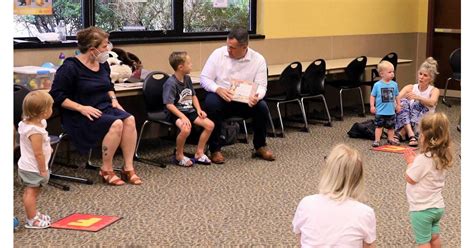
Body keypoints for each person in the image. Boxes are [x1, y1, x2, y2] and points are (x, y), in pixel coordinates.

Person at [49, 26, 142, 186]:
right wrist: (81, 108)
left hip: (103, 107)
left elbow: (108, 86)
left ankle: (128, 168)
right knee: (117, 123)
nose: (108, 49)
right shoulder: (70, 67)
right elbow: (56, 95)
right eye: (105, 46)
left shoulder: (103, 65)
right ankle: (106, 169)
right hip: (79, 114)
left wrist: (114, 99)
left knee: (130, 119)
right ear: (92, 50)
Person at [200, 27, 275, 164]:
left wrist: (256, 96)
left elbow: (262, 86)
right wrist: (217, 89)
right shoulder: (218, 54)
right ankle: (215, 149)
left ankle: (260, 146)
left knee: (262, 107)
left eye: (233, 48)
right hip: (222, 97)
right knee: (211, 103)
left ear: (244, 47)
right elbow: (204, 79)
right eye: (228, 46)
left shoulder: (258, 60)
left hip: (244, 100)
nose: (229, 50)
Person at [292, 144, 376, 247]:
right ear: (358, 177)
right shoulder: (365, 213)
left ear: (328, 171)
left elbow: (302, 241)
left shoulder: (306, 203)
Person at [403, 112, 453, 247]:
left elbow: (410, 178)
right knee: (434, 238)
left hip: (422, 209)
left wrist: (410, 162)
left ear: (424, 137)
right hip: (437, 207)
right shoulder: (441, 155)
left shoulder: (423, 159)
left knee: (423, 241)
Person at [163, 51, 215, 167]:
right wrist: (182, 117)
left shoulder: (187, 79)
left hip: (188, 111)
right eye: (189, 63)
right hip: (175, 113)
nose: (191, 65)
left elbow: (193, 95)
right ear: (181, 67)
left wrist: (198, 110)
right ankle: (179, 155)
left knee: (209, 125)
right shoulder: (170, 83)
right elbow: (169, 105)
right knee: (186, 129)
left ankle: (199, 152)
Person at [17, 91, 54, 229]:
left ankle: (33, 213)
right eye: (50, 107)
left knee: (34, 191)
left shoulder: (30, 122)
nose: (52, 110)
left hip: (30, 166)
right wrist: (43, 170)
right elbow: (38, 153)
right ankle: (31, 219)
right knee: (31, 192)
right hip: (33, 167)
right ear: (44, 112)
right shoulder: (35, 131)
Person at [395, 57, 440, 147]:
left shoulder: (434, 90)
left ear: (430, 78)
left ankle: (404, 132)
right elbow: (397, 99)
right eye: (420, 74)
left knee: (416, 104)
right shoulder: (410, 87)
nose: (421, 77)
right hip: (406, 121)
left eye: (425, 75)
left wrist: (418, 97)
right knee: (403, 102)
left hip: (423, 124)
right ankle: (410, 134)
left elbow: (432, 102)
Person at [370, 60, 401, 147]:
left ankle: (390, 139)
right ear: (382, 74)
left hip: (391, 111)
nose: (392, 74)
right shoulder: (377, 85)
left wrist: (398, 105)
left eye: (393, 72)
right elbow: (372, 96)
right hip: (380, 111)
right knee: (379, 127)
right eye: (390, 72)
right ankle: (377, 140)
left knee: (391, 127)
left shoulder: (394, 84)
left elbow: (397, 95)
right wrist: (372, 106)